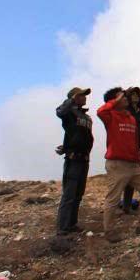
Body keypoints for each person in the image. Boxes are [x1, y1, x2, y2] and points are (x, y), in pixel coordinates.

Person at [96, 87, 140, 241]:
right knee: (114, 197)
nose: (126, 99)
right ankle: (109, 231)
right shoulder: (110, 115)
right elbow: (100, 111)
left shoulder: (131, 117)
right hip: (117, 163)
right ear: (114, 101)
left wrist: (136, 159)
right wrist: (114, 100)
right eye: (122, 97)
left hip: (133, 164)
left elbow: (135, 140)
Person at [55, 87, 93, 234]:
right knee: (69, 194)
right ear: (74, 97)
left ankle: (72, 224)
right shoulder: (69, 113)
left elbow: (78, 136)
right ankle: (62, 227)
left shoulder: (86, 117)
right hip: (73, 160)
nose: (85, 97)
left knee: (78, 194)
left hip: (84, 159)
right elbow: (59, 112)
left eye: (84, 95)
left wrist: (66, 146)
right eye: (82, 95)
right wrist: (71, 100)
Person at [120, 87, 140, 214]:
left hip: (136, 150)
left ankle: (126, 207)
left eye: (137, 94)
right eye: (133, 94)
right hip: (123, 150)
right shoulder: (124, 112)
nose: (136, 96)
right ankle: (115, 207)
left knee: (131, 181)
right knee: (120, 180)